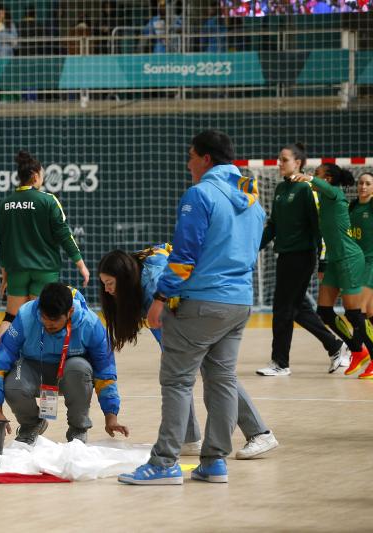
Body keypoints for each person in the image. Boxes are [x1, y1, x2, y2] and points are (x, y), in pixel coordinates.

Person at [118, 130, 265, 486]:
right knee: (222, 380)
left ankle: (165, 461)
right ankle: (215, 462)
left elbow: (183, 257)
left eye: (191, 156)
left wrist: (159, 299)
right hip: (240, 302)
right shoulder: (253, 200)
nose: (188, 164)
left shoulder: (200, 195)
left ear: (206, 159)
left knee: (178, 381)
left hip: (200, 302)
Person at [99, 245, 279, 460]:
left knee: (214, 373)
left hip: (209, 309)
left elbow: (169, 332)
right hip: (204, 310)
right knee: (190, 371)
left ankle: (259, 433)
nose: (108, 290)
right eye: (104, 284)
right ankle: (190, 439)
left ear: (124, 276)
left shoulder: (152, 286)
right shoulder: (140, 271)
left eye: (110, 283)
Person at [0, 282, 127, 444]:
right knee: (13, 383)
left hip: (71, 373)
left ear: (70, 312)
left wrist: (111, 417)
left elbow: (106, 373)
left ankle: (78, 429)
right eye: (44, 317)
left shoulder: (91, 324)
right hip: (32, 368)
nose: (48, 323)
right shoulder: (25, 316)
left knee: (79, 368)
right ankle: (31, 425)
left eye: (54, 319)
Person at [0, 150, 89, 370]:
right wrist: (80, 264)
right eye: (41, 174)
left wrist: (5, 275)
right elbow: (64, 234)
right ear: (35, 175)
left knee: (10, 316)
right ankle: (41, 364)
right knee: (41, 316)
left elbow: (3, 242)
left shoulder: (5, 204)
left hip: (17, 269)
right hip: (44, 269)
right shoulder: (47, 200)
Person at [256, 144, 350, 377]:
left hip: (302, 256)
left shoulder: (308, 189)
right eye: (279, 159)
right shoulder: (279, 189)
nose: (279, 163)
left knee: (283, 309)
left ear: (298, 163)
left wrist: (322, 259)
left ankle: (280, 362)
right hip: (285, 255)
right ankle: (336, 345)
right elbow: (274, 226)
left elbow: (320, 227)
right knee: (297, 308)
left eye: (284, 159)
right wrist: (252, 248)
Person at [291, 164, 373, 379]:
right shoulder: (325, 202)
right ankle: (357, 350)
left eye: (318, 174)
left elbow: (326, 188)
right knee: (324, 311)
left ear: (326, 179)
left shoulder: (336, 194)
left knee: (355, 314)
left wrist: (308, 177)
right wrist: (324, 262)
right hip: (335, 260)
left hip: (350, 258)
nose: (314, 178)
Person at [349, 173, 373, 329]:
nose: (363, 186)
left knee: (358, 311)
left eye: (368, 184)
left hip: (371, 263)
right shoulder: (352, 206)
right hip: (357, 263)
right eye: (361, 183)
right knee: (370, 314)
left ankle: (359, 352)